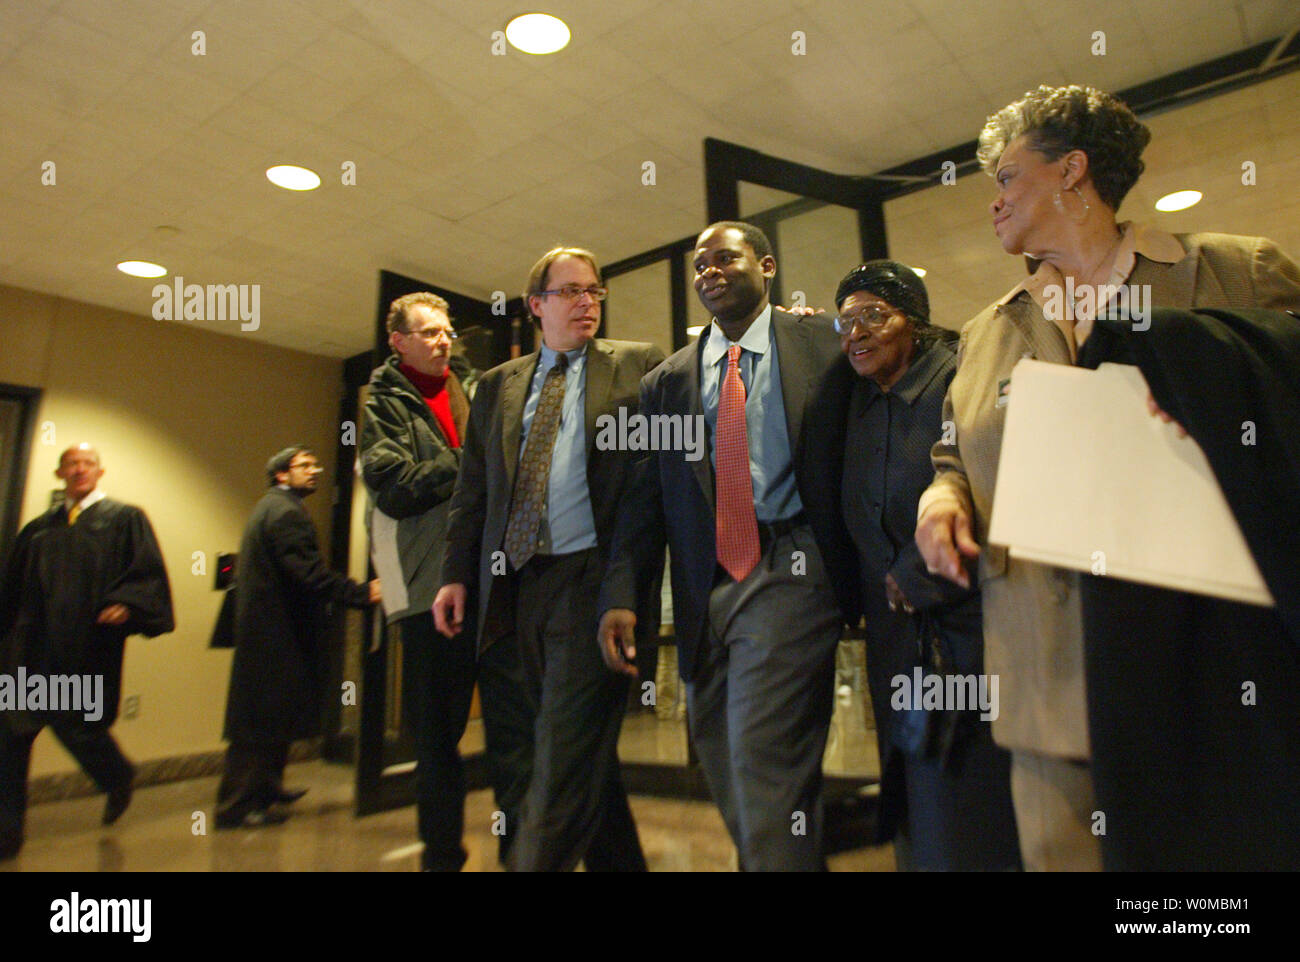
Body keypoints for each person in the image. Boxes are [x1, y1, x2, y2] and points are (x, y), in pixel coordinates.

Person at [914, 83, 1300, 870]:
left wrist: (1217, 417)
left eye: (1007, 178)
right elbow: (956, 450)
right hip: (1048, 693)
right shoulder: (991, 332)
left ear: (1072, 171)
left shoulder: (1235, 272)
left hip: (1208, 684)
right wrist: (941, 496)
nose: (993, 202)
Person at [597, 221, 858, 871]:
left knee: (761, 754)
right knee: (721, 751)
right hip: (704, 588)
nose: (708, 271)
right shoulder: (668, 382)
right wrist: (623, 595)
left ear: (766, 267)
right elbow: (645, 501)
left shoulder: (823, 343)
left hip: (792, 568)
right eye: (698, 264)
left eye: (725, 258)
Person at [433, 247, 664, 871]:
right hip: (512, 590)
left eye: (594, 291)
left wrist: (778, 329)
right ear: (537, 305)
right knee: (568, 748)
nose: (587, 301)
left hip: (591, 583)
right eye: (571, 292)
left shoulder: (638, 366)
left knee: (562, 751)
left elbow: (697, 392)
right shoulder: (497, 386)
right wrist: (456, 575)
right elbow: (473, 489)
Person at [831, 261, 1020, 871]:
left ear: (913, 320)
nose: (856, 333)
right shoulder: (858, 400)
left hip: (971, 626)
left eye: (873, 316)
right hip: (895, 641)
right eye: (845, 321)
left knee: (974, 798)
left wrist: (913, 575)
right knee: (914, 793)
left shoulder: (959, 379)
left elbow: (990, 483)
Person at [0, 444, 173, 860]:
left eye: (87, 463)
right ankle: (6, 837)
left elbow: (146, 575)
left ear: (100, 471)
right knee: (10, 736)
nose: (79, 469)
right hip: (29, 650)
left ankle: (117, 775)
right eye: (71, 464)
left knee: (76, 727)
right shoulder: (38, 529)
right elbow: (12, 590)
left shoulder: (124, 519)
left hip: (84, 647)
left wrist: (127, 604)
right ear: (60, 473)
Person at [361, 291, 477, 872]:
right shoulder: (381, 406)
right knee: (436, 738)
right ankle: (441, 856)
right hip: (426, 587)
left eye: (447, 329)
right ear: (399, 342)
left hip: (489, 578)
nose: (444, 339)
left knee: (514, 722)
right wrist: (468, 458)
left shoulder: (476, 389)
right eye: (429, 332)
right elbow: (396, 487)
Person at [217, 446, 378, 829]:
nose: (315, 470)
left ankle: (267, 789)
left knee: (271, 717)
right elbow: (307, 575)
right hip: (275, 635)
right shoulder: (286, 513)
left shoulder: (274, 507)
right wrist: (360, 593)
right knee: (259, 724)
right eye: (304, 465)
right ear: (280, 474)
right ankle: (236, 806)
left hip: (269, 632)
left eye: (315, 464)